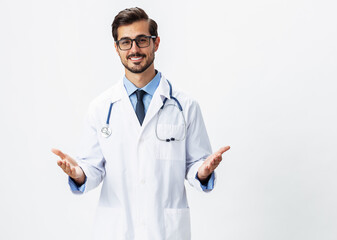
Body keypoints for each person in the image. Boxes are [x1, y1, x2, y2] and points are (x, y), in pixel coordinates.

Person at [52, 7, 230, 240]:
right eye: (125, 42)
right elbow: (92, 168)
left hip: (166, 231)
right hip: (116, 231)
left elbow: (196, 164)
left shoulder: (186, 106)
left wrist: (203, 172)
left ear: (156, 44)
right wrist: (78, 173)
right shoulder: (101, 108)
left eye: (142, 40)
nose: (134, 49)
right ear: (116, 48)